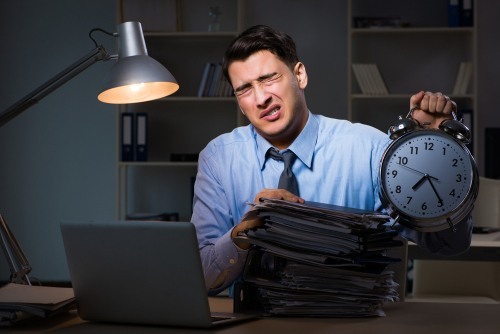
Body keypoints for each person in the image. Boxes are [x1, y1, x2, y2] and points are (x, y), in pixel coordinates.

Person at [191, 25, 472, 296]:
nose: (261, 98)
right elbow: (201, 278)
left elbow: (448, 244)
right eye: (245, 89)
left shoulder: (370, 149)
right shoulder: (218, 158)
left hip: (350, 323)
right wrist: (242, 233)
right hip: (251, 324)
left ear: (299, 75)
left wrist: (437, 155)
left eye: (268, 79)